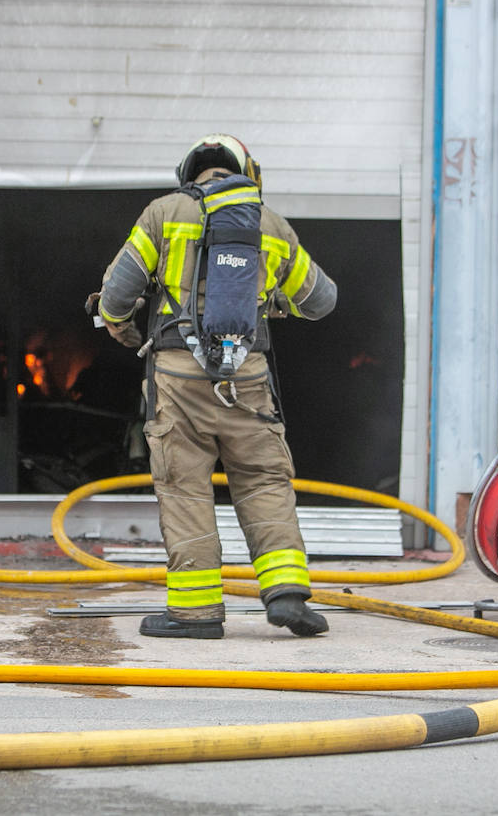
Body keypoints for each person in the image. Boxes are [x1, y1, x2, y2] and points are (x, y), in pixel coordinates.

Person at [95, 134, 338, 639]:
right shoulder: (269, 225)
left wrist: (118, 323)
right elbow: (321, 301)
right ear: (245, 170)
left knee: (185, 488)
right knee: (265, 481)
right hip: (247, 378)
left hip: (178, 379)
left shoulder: (164, 212)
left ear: (190, 172)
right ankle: (288, 594)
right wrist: (271, 299)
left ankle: (195, 614)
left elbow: (118, 293)